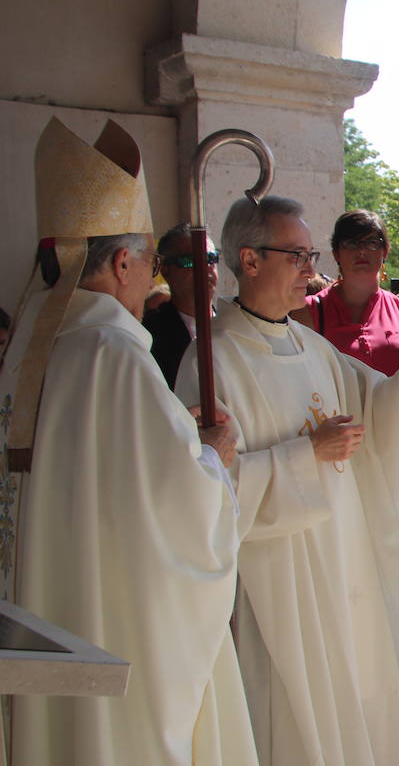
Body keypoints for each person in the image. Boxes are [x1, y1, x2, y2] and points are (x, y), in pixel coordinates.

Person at [176, 194, 399, 765]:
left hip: (346, 557)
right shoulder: (212, 362)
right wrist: (305, 455)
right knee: (297, 716)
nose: (313, 269)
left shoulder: (312, 347)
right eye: (299, 255)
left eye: (312, 255)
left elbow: (379, 414)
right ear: (250, 260)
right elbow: (207, 488)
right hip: (281, 575)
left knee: (359, 694)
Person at [6, 118, 252, 765]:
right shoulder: (114, 356)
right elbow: (176, 508)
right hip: (110, 617)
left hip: (40, 610)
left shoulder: (30, 354)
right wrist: (213, 457)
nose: (155, 282)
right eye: (148, 263)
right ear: (121, 263)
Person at [290, 209, 399, 377]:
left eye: (371, 242)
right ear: (336, 253)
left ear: (385, 251)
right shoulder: (306, 313)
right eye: (351, 243)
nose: (361, 251)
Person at [144, 223, 220, 387]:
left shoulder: (234, 325)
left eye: (210, 258)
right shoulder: (148, 335)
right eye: (189, 261)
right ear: (165, 271)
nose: (205, 268)